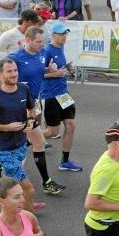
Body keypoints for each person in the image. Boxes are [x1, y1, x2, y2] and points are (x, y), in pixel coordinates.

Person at [8, 27, 66, 196]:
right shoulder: (16, 58)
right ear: (28, 40)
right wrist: (13, 91)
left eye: (43, 41)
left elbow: (38, 72)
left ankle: (44, 182)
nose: (42, 44)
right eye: (39, 41)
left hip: (32, 104)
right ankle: (9, 180)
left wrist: (49, 70)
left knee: (38, 142)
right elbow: (0, 73)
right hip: (19, 107)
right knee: (22, 143)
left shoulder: (41, 55)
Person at [0, 59, 36, 213]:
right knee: (28, 189)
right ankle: (31, 229)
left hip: (21, 146)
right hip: (4, 150)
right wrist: (6, 128)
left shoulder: (24, 89)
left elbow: (31, 109)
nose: (14, 74)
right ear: (0, 74)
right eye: (9, 71)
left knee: (6, 188)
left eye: (15, 70)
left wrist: (30, 122)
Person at [41, 22, 82, 172]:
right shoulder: (46, 51)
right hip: (50, 95)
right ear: (53, 35)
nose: (64, 36)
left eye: (66, 33)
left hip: (64, 94)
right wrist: (55, 74)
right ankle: (24, 141)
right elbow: (38, 74)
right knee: (52, 132)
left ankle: (64, 161)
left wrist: (67, 68)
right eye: (61, 34)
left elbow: (59, 69)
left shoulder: (61, 47)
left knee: (71, 125)